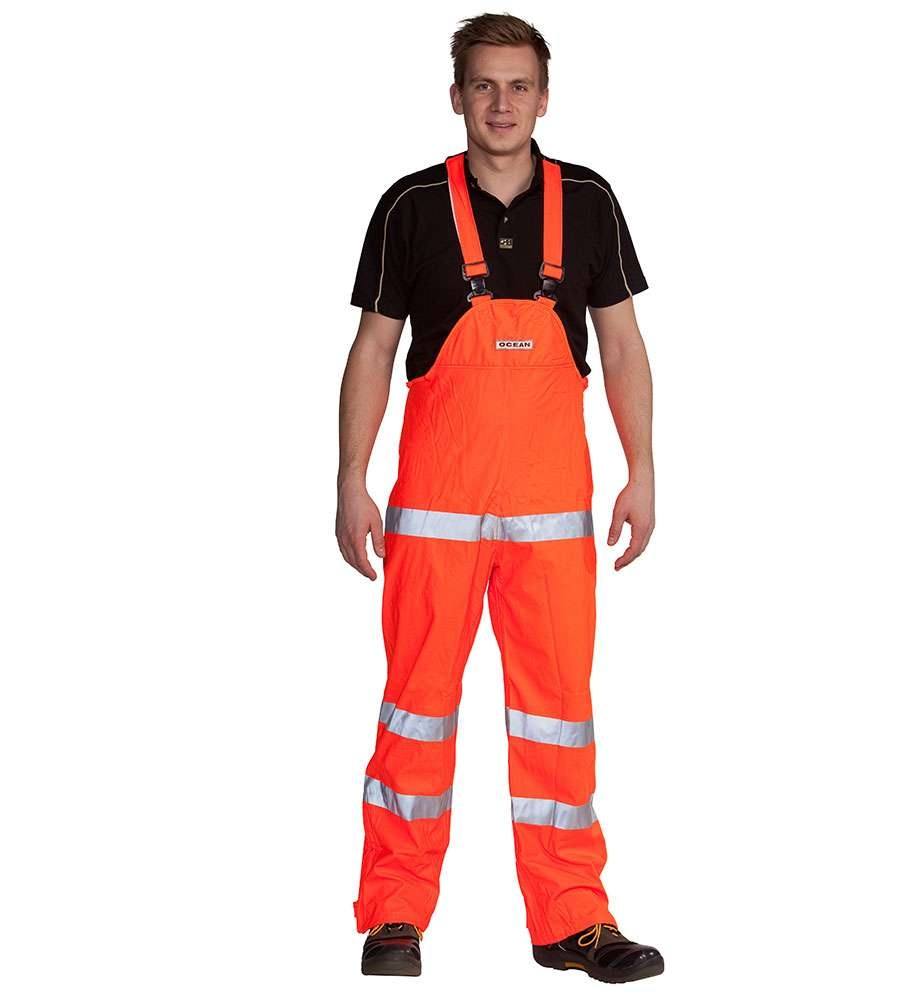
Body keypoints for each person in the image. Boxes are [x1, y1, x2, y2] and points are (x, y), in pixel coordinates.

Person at [337, 13, 661, 984]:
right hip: (433, 515)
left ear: (544, 97)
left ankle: (573, 918)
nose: (502, 102)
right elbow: (373, 351)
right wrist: (351, 479)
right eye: (484, 84)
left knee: (557, 713)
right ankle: (395, 913)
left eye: (519, 85)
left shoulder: (590, 201)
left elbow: (623, 346)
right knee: (416, 710)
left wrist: (642, 469)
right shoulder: (409, 205)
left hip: (553, 515)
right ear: (457, 95)